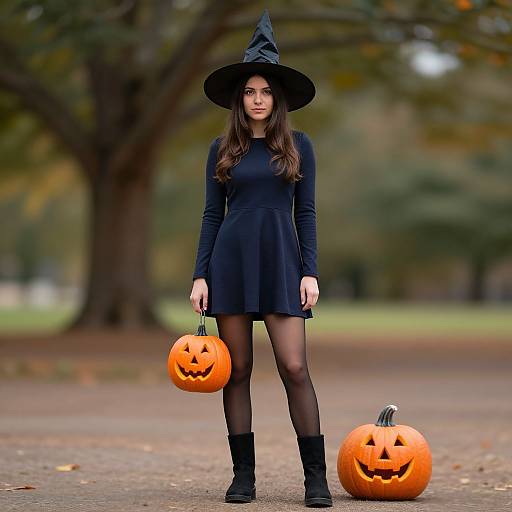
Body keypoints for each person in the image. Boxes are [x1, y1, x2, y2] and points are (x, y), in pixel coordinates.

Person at [189, 10, 332, 508]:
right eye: (249, 92)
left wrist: (310, 269)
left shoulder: (299, 147)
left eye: (265, 92)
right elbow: (211, 215)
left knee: (295, 367)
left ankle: (316, 479)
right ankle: (242, 477)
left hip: (282, 264)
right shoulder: (221, 149)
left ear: (278, 99)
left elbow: (306, 211)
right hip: (230, 264)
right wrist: (200, 275)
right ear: (239, 99)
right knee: (239, 370)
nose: (257, 100)